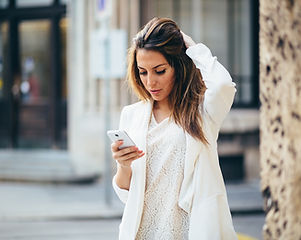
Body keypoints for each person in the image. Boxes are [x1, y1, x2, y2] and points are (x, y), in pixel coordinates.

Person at [111, 17, 238, 240]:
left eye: (159, 71)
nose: (150, 82)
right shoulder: (131, 116)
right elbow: (125, 195)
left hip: (190, 232)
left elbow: (223, 85)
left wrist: (192, 48)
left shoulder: (201, 113)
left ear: (178, 67)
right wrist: (123, 165)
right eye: (143, 72)